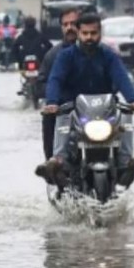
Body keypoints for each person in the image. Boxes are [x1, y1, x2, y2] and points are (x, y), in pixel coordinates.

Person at [36, 12, 134, 189]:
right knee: (62, 114)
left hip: (105, 108)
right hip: (74, 108)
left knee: (126, 112)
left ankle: (126, 164)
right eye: (85, 33)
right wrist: (52, 102)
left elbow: (121, 77)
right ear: (79, 34)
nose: (89, 38)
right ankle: (59, 162)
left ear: (100, 33)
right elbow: (55, 79)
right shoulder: (65, 56)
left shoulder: (108, 55)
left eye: (93, 33)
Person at [37, 8, 80, 160]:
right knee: (48, 118)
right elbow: (42, 83)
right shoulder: (52, 55)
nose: (69, 28)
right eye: (65, 24)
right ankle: (52, 165)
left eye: (73, 23)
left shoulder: (99, 51)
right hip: (63, 109)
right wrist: (56, 100)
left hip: (93, 109)